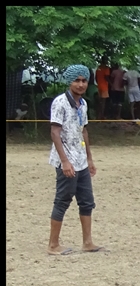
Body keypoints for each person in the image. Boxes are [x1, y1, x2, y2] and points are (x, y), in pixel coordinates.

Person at [47, 65, 102, 256]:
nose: (80, 84)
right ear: (69, 82)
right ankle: (53, 244)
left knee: (87, 202)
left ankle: (87, 242)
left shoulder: (83, 104)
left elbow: (83, 131)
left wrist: (89, 158)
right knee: (63, 200)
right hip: (66, 159)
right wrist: (64, 161)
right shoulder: (60, 103)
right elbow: (55, 132)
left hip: (81, 160)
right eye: (76, 80)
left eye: (84, 81)